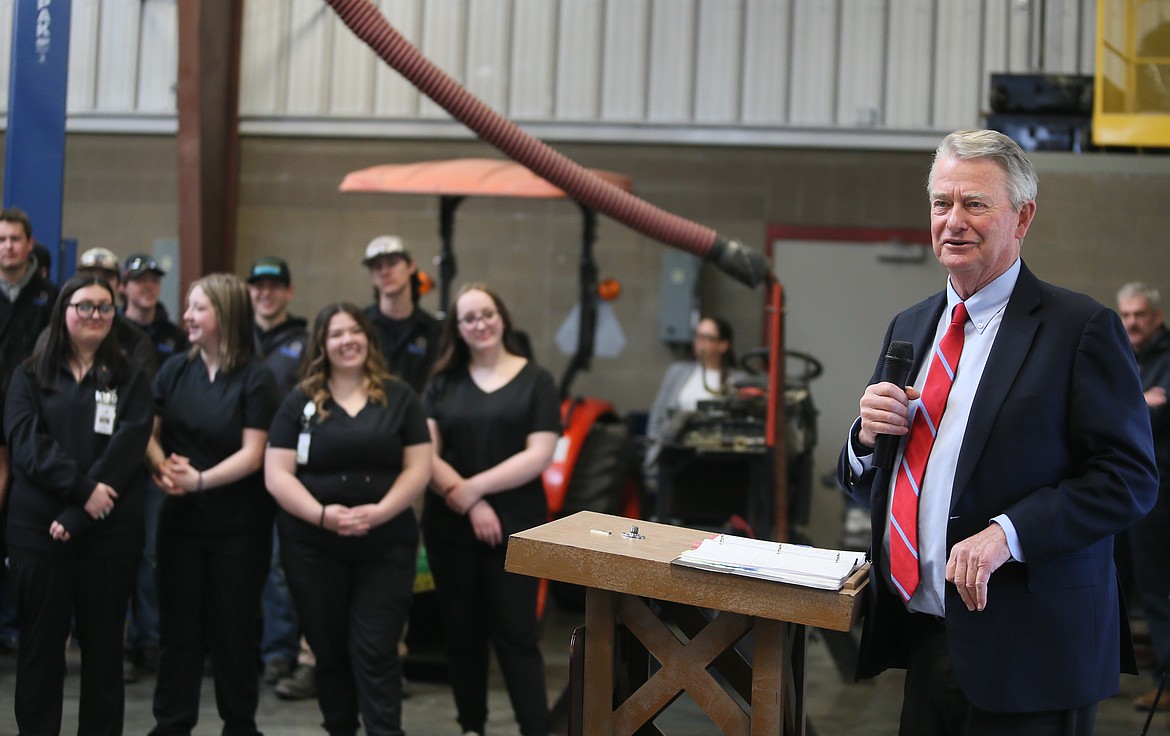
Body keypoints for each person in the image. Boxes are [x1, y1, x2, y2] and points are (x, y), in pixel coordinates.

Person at [837, 129, 1158, 735]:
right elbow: (873, 480)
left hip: (1033, 652)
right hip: (926, 637)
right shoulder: (911, 325)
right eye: (941, 203)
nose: (953, 221)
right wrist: (863, 440)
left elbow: (1130, 480)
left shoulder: (1080, 329)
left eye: (975, 204)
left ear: (1023, 217)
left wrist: (1009, 534)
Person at [265, 302, 431, 736]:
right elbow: (276, 474)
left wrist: (380, 511)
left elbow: (419, 467)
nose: (347, 341)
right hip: (313, 543)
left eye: (355, 331)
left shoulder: (401, 398)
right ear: (322, 343)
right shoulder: (298, 402)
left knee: (376, 649)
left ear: (369, 339)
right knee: (329, 649)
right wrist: (322, 516)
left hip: (386, 541)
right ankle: (339, 728)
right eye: (336, 333)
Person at [4, 273, 153, 735]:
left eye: (105, 307)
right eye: (84, 306)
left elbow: (129, 448)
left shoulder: (130, 377)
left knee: (104, 653)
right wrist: (81, 492)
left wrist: (80, 511)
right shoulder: (29, 374)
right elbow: (27, 444)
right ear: (63, 311)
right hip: (38, 533)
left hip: (108, 535)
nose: (95, 315)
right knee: (40, 652)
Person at [423, 283, 560, 736]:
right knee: (461, 636)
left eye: (487, 314)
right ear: (458, 329)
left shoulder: (536, 380)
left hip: (517, 525)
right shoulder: (442, 382)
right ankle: (471, 728)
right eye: (469, 318)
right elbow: (425, 452)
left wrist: (474, 491)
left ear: (502, 318)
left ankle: (534, 729)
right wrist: (469, 502)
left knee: (516, 635)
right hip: (451, 525)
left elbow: (539, 454)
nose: (480, 324)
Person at [148, 273, 279, 736]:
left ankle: (239, 724)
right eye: (187, 307)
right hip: (180, 522)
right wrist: (163, 468)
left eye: (198, 308)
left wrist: (199, 479)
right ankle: (172, 723)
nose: (187, 316)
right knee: (178, 631)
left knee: (232, 632)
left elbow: (254, 452)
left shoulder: (256, 377)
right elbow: (150, 431)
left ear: (225, 316)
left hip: (238, 527)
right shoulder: (174, 370)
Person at [119, 251, 188, 683]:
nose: (147, 286)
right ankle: (121, 643)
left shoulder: (174, 336)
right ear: (123, 285)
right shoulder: (111, 329)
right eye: (138, 280)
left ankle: (150, 640)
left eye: (153, 280)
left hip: (159, 458)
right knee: (119, 553)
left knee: (151, 554)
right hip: (119, 457)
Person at [246, 255, 311, 690]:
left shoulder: (304, 344)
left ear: (289, 291)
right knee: (243, 563)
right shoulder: (235, 336)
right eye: (258, 285)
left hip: (288, 468)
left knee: (279, 566)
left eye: (274, 285)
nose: (265, 293)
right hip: (238, 469)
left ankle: (278, 653)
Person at [0, 207, 57, 655]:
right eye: (1, 240)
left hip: (31, 423)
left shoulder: (51, 297)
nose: (8, 247)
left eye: (15, 239)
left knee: (24, 525)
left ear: (29, 243)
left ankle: (20, 623)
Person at [1116, 282, 1170, 713]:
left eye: (1140, 315)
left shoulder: (1167, 359)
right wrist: (1139, 403)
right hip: (1120, 493)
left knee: (1158, 590)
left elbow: (1156, 419)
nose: (1132, 322)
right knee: (1116, 585)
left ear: (1156, 317)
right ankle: (1106, 671)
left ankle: (1167, 682)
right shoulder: (1123, 356)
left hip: (1160, 496)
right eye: (1126, 315)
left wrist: (1122, 407)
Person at [642, 315, 744, 480]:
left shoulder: (736, 380)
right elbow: (658, 413)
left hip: (714, 462)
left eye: (707, 338)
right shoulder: (678, 372)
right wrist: (653, 450)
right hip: (676, 458)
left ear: (723, 345)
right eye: (698, 336)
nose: (699, 342)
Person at [362, 235, 441, 394]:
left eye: (392, 263)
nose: (385, 272)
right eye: (377, 267)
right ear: (372, 274)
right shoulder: (359, 326)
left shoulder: (434, 330)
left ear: (411, 266)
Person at [77, 247, 158, 377]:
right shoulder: (58, 333)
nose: (97, 283)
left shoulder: (135, 340)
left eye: (106, 278)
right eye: (89, 276)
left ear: (119, 285)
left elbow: (143, 389)